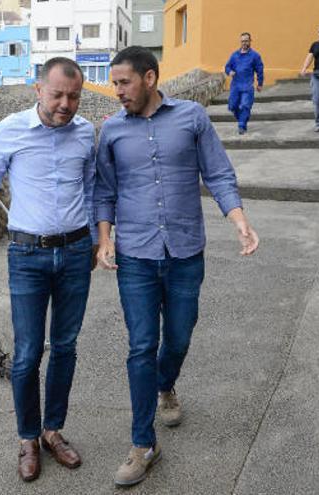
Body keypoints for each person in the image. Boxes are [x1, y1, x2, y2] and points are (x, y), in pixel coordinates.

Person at [94, 46, 259, 487]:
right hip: (136, 256)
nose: (118, 92)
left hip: (186, 251)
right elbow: (104, 192)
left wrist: (239, 221)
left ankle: (166, 385)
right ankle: (143, 444)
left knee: (180, 335)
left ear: (149, 78)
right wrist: (104, 240)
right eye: (114, 83)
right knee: (141, 346)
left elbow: (219, 174)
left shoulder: (191, 118)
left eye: (124, 82)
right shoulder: (110, 131)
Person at [0, 57, 98, 483]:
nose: (66, 104)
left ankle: (54, 431)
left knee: (66, 346)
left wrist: (98, 238)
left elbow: (90, 188)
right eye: (57, 95)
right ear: (38, 89)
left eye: (74, 96)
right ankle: (28, 438)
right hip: (27, 256)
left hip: (74, 254)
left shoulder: (86, 132)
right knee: (29, 353)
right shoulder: (10, 129)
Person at [224, 32, 264, 135]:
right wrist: (230, 72)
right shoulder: (234, 55)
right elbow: (227, 67)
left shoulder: (255, 56)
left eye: (246, 41)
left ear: (250, 41)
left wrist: (260, 83)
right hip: (235, 86)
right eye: (242, 41)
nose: (244, 43)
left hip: (247, 86)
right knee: (232, 106)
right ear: (240, 42)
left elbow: (260, 70)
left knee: (245, 105)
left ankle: (242, 125)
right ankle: (243, 118)